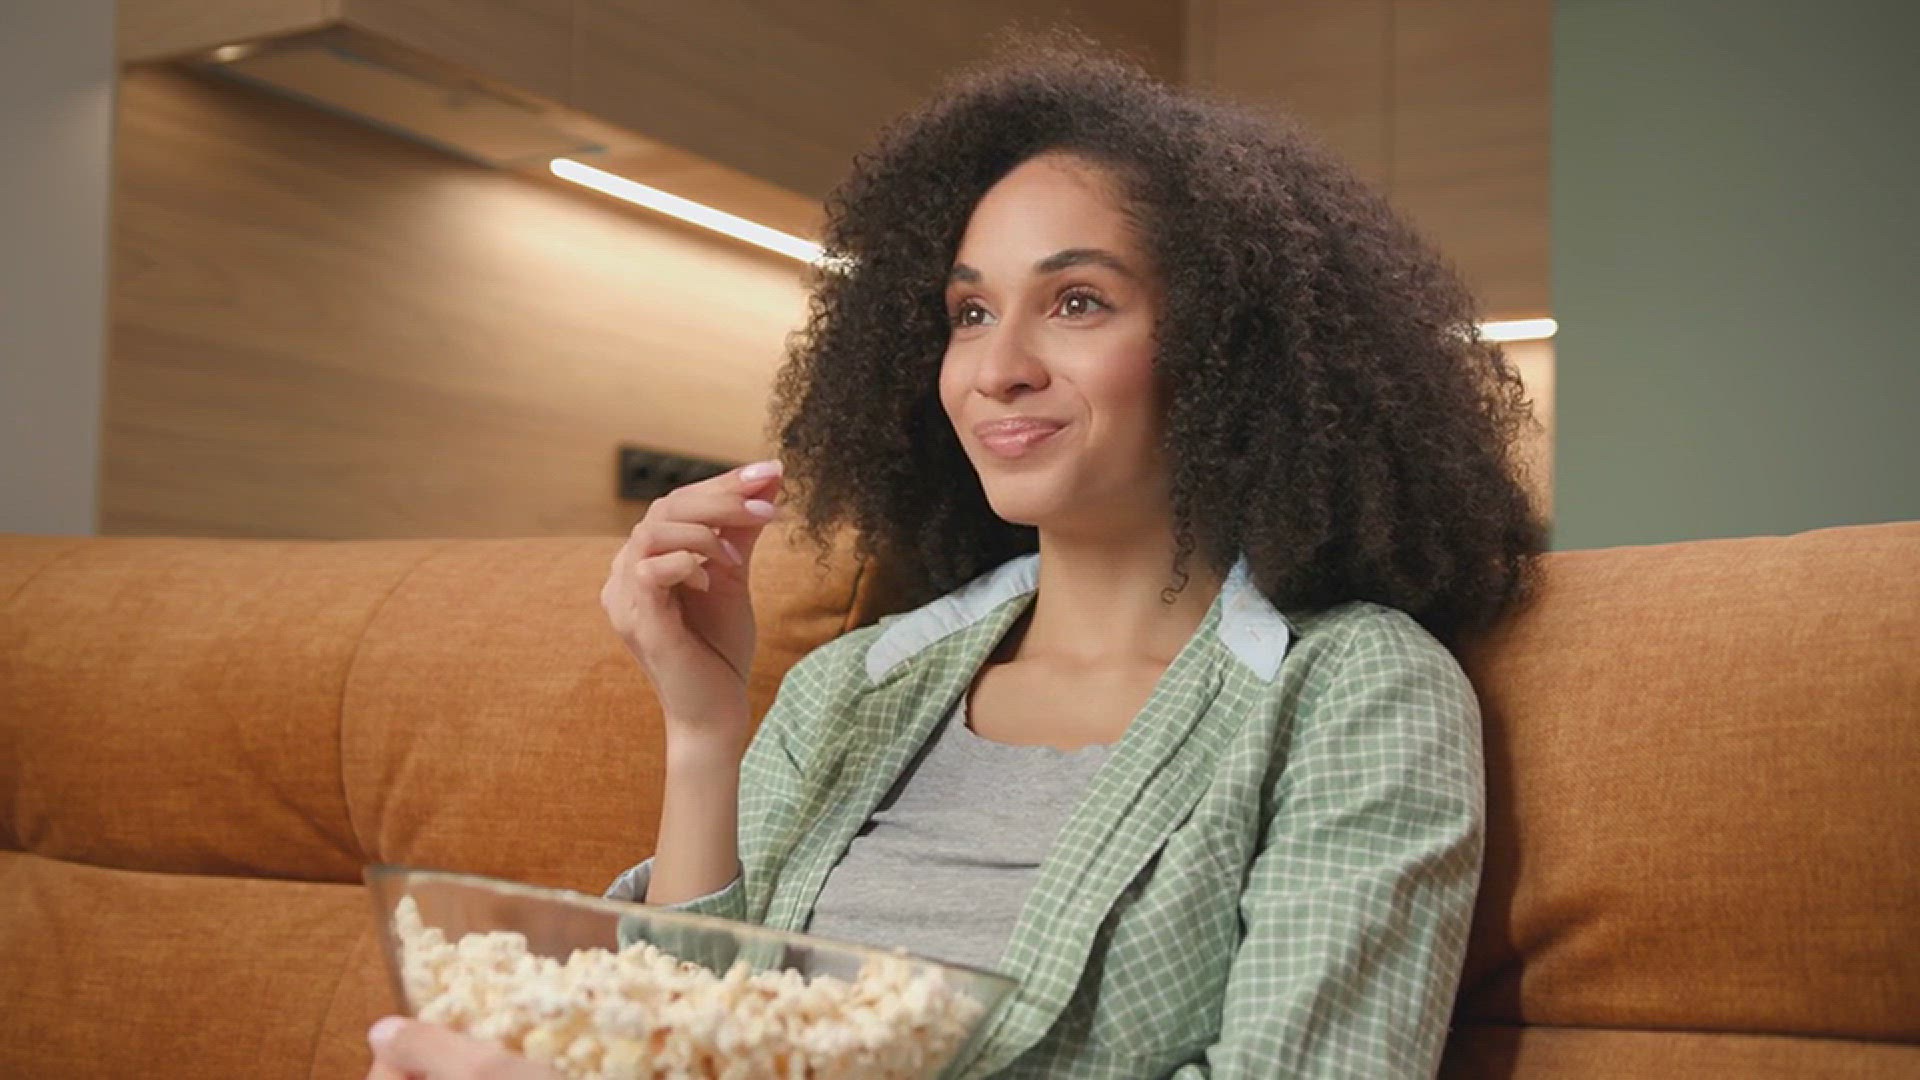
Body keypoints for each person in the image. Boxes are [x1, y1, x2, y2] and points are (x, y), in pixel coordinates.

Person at [367, 34, 1544, 1080]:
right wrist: (702, 732)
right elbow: (678, 1030)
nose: (997, 369)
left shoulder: (1353, 692)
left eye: (1077, 302)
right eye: (971, 313)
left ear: (1232, 347)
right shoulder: (850, 688)